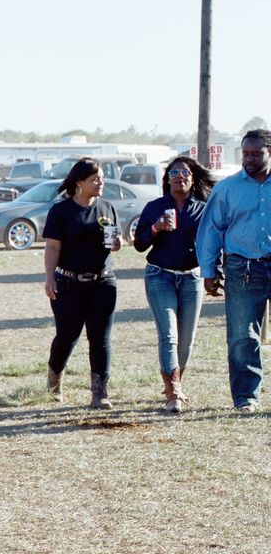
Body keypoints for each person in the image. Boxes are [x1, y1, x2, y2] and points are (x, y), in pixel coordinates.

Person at [133, 155, 216, 413]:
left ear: (193, 179)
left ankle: (175, 384)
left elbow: (212, 243)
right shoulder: (155, 207)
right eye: (174, 174)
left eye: (185, 174)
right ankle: (174, 391)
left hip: (191, 277)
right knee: (168, 335)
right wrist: (156, 228)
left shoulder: (203, 208)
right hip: (160, 276)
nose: (180, 178)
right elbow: (139, 244)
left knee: (186, 340)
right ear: (167, 179)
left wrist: (214, 273)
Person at [197, 128, 271, 412]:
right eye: (246, 153)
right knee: (242, 335)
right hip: (243, 267)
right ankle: (246, 398)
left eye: (256, 153)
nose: (249, 159)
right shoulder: (227, 188)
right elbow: (211, 231)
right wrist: (209, 270)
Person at [42, 158, 121, 409]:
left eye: (101, 178)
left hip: (103, 282)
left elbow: (117, 240)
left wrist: (118, 244)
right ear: (79, 182)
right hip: (69, 283)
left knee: (100, 339)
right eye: (94, 179)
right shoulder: (61, 211)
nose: (100, 183)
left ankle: (100, 392)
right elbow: (53, 247)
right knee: (67, 336)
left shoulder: (107, 208)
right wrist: (49, 277)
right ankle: (54, 381)